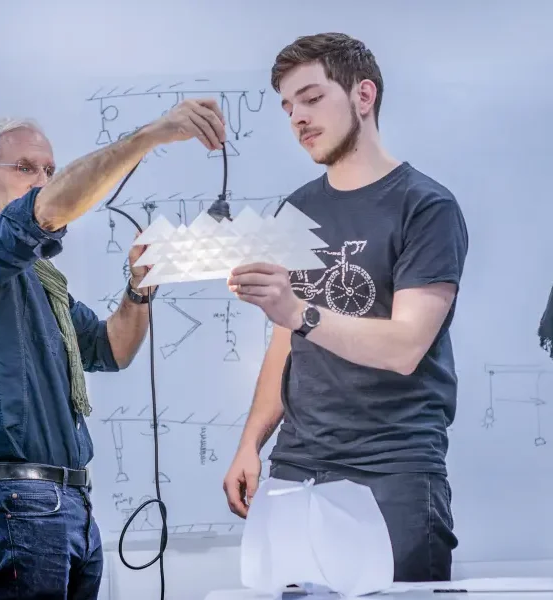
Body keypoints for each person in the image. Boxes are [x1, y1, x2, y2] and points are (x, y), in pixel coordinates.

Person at [0, 99, 225, 599]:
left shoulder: (41, 281)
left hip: (70, 504)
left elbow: (111, 348)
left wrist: (139, 287)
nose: (42, 180)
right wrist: (152, 135)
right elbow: (44, 212)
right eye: (25, 168)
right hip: (19, 503)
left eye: (49, 170)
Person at [224, 33, 468, 582]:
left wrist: (300, 312)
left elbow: (405, 346)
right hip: (298, 466)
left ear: (363, 95)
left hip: (394, 470)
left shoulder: (425, 207)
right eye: (288, 106)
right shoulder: (297, 209)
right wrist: (250, 443)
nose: (298, 117)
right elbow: (286, 345)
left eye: (312, 98)